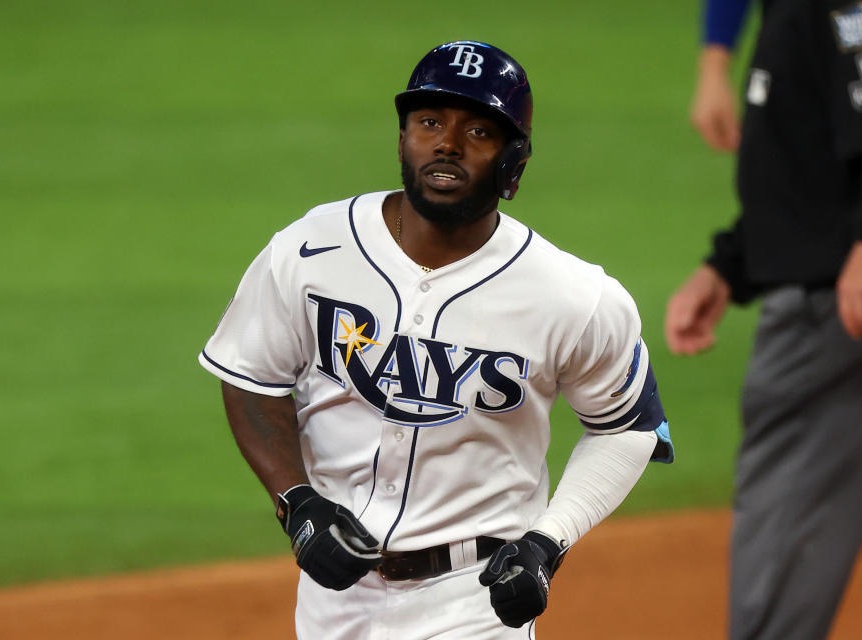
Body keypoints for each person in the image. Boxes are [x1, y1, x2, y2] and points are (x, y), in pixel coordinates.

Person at [199, 40, 673, 639]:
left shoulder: (573, 295)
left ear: (514, 166)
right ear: (402, 140)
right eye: (429, 122)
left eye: (478, 131)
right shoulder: (311, 247)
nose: (447, 143)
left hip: (472, 603)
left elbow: (628, 427)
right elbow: (251, 378)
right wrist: (298, 503)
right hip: (331, 601)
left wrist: (548, 543)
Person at [667, 1, 862, 638]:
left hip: (842, 318)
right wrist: (731, 266)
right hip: (853, 299)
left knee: (779, 579)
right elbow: (809, 176)